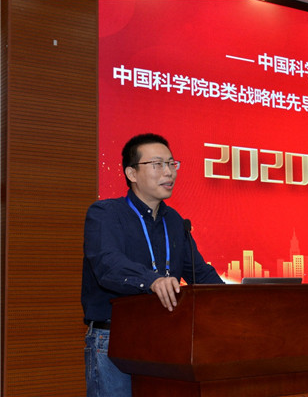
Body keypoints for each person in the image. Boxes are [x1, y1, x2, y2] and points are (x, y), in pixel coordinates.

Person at [81, 133, 223, 397]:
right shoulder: (106, 214)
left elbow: (200, 273)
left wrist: (236, 300)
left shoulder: (175, 221)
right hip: (115, 340)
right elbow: (107, 264)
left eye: (171, 164)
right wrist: (152, 280)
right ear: (132, 173)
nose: (168, 172)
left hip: (166, 339)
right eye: (157, 164)